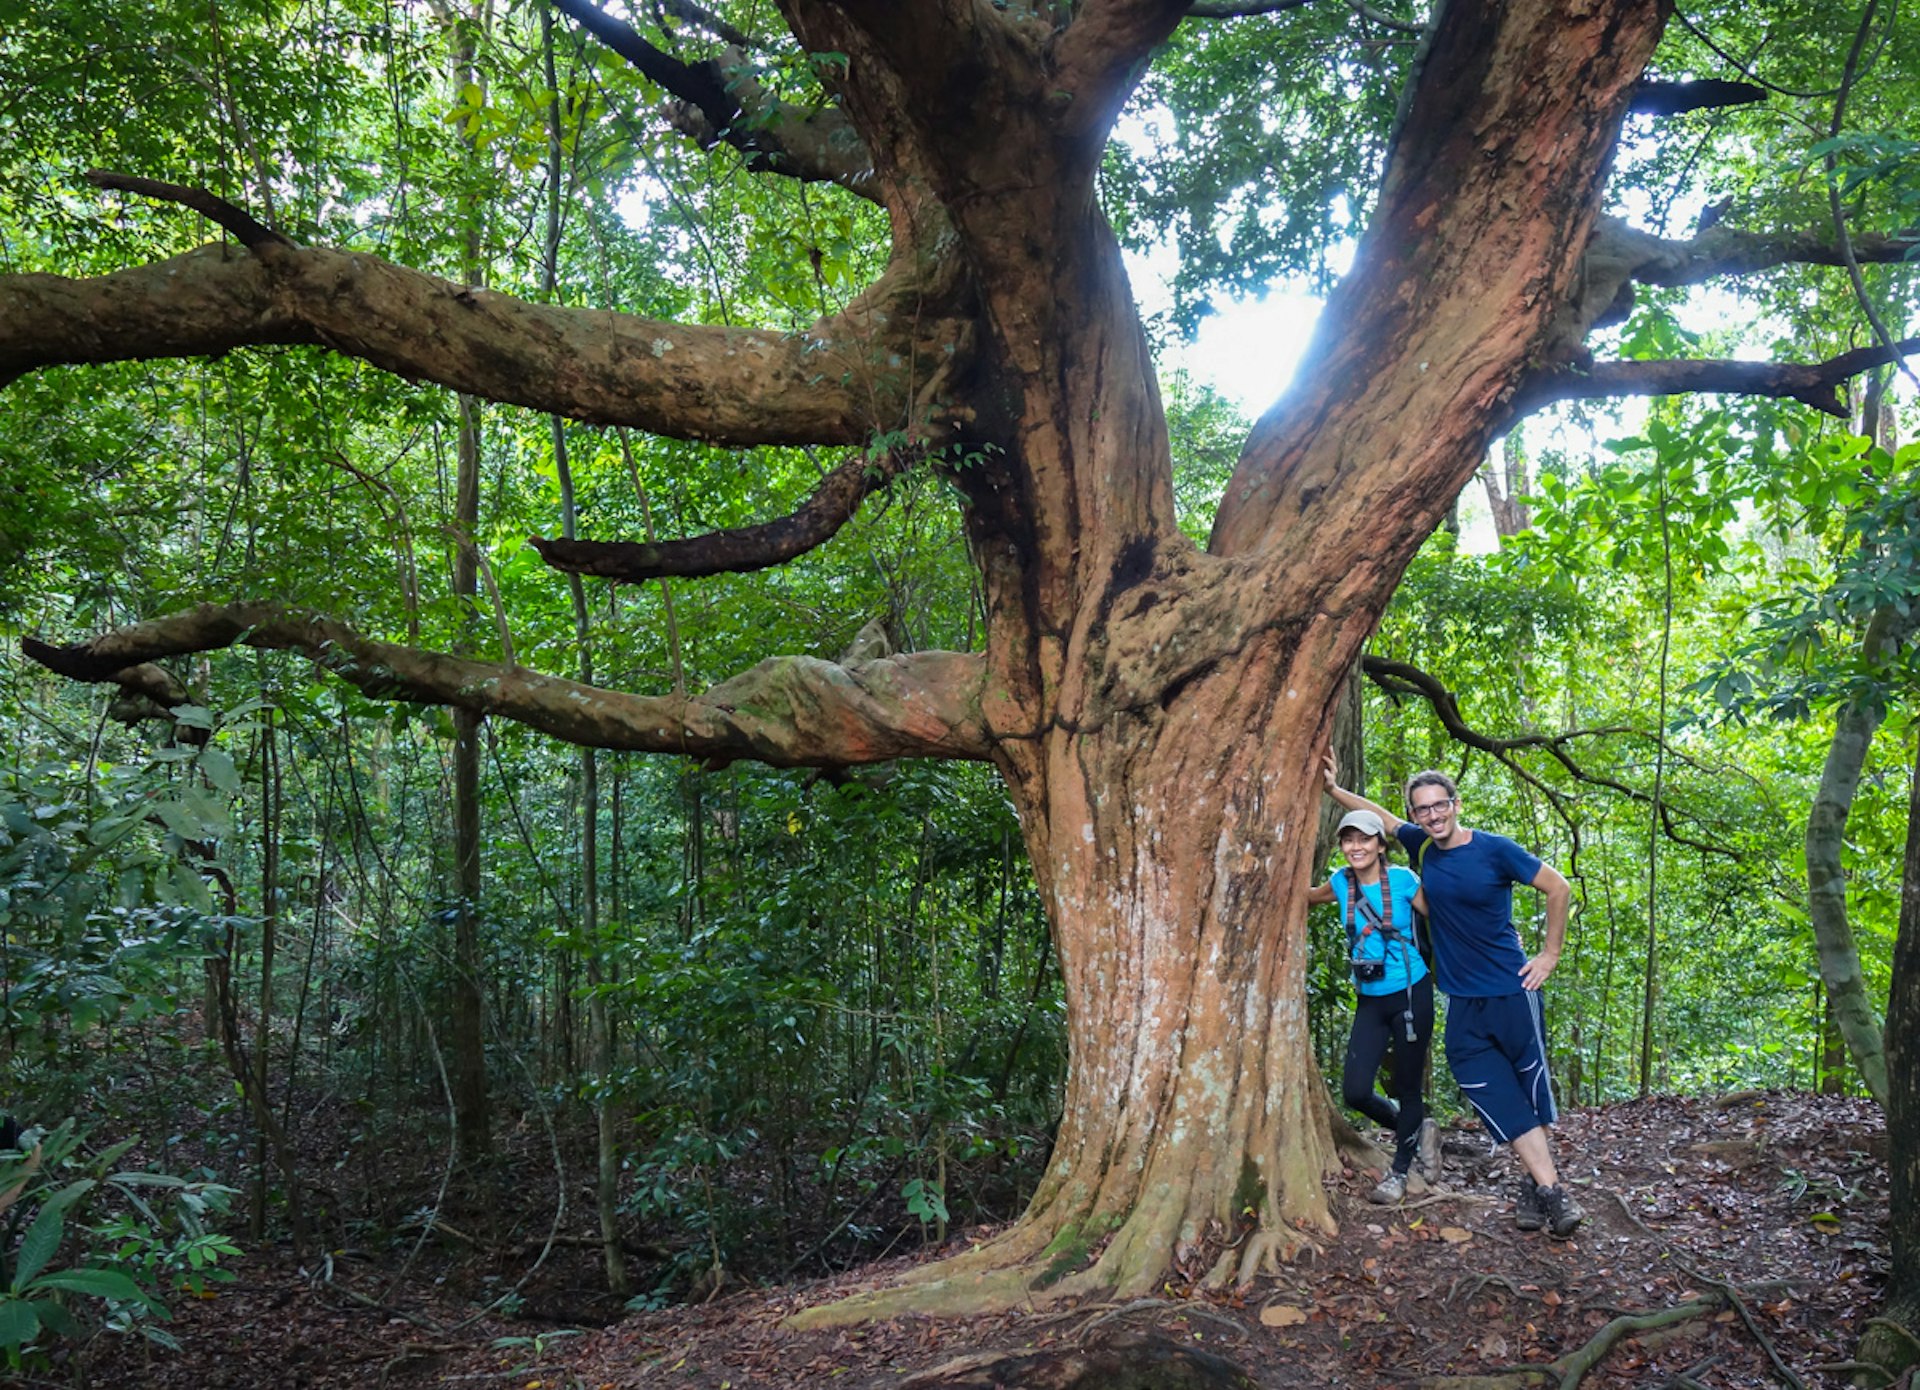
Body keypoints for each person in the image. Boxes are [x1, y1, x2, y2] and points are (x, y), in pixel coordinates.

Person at [1322, 757, 1585, 1237]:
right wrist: (1336, 789)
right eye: (1422, 810)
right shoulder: (1422, 847)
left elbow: (1558, 886)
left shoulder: (1495, 850)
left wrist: (1550, 954)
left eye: (1439, 805)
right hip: (1461, 996)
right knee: (1483, 1083)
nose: (1432, 815)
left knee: (1527, 1086)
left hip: (1512, 987)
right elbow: (1379, 817)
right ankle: (1545, 1186)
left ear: (1455, 804)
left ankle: (1542, 1189)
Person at [1307, 808, 1441, 1204]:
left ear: (1381, 845)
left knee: (1407, 1084)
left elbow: (1443, 917)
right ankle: (1415, 1129)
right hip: (1369, 999)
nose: (1356, 847)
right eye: (1348, 840)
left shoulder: (1404, 880)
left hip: (1411, 994)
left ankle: (1399, 1172)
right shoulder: (1340, 881)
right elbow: (1309, 899)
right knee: (1355, 1091)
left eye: (1364, 839)